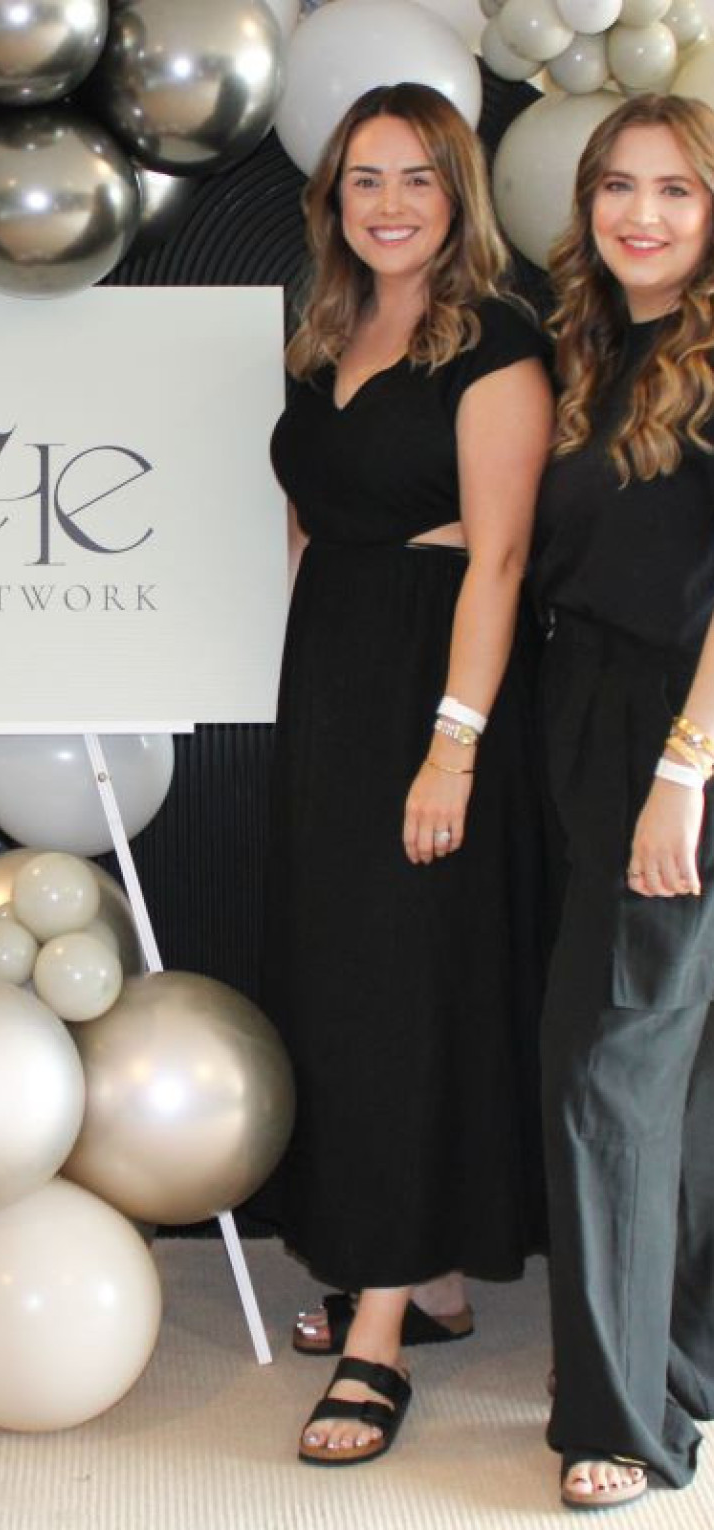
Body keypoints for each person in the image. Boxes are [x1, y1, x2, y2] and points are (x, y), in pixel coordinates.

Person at [264, 82, 552, 1465]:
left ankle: (378, 1333)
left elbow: (498, 559)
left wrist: (454, 743)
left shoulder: (494, 345)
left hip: (437, 689)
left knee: (396, 992)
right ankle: (427, 1277)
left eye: (416, 179)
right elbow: (318, 521)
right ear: (334, 200)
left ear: (459, 196)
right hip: (332, 682)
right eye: (363, 179)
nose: (388, 204)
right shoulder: (327, 334)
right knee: (353, 981)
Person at [534, 92, 714, 1512]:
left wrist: (685, 769)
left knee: (608, 1072)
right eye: (619, 186)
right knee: (677, 1084)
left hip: (679, 738)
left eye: (678, 191)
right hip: (593, 722)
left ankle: (619, 1426)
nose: (642, 213)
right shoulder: (601, 348)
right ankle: (683, 1373)